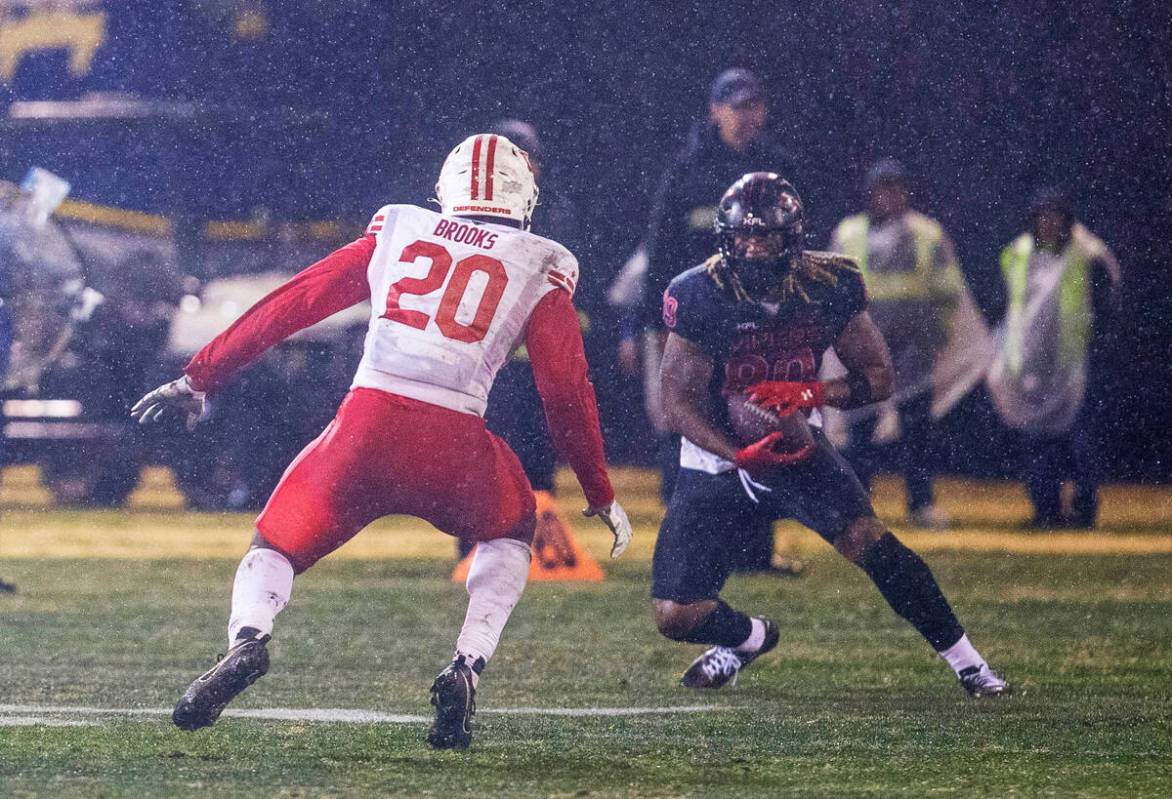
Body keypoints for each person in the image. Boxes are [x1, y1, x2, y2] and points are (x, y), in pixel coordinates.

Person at [132, 133, 634, 749]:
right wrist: (598, 487)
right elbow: (565, 389)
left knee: (275, 544)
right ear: (524, 195)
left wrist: (200, 373)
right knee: (511, 526)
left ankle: (249, 639)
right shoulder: (540, 261)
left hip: (364, 426)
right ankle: (465, 665)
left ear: (447, 188)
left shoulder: (399, 229)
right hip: (454, 438)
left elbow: (294, 303)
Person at [651, 172, 1008, 697]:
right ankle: (750, 639)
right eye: (741, 236)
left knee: (870, 541)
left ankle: (970, 664)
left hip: (794, 443)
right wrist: (739, 453)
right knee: (676, 616)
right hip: (717, 458)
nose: (750, 248)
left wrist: (810, 395)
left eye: (763, 236)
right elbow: (676, 403)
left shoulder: (828, 284)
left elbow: (878, 378)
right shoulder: (699, 293)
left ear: (791, 238)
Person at [640, 67, 804, 575]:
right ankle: (685, 547)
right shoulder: (685, 173)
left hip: (759, 324)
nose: (745, 115)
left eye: (753, 105)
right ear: (714, 111)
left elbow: (799, 249)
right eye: (735, 105)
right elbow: (661, 253)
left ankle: (755, 552)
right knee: (686, 426)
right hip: (697, 325)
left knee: (760, 426)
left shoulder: (779, 169)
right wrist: (657, 323)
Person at [829, 159, 965, 528]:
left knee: (917, 429)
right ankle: (857, 506)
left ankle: (920, 503)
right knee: (860, 429)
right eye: (881, 189)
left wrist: (936, 336)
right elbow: (832, 289)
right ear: (869, 193)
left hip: (912, 349)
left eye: (896, 188)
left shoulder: (927, 234)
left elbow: (947, 290)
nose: (889, 196)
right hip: (863, 347)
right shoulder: (849, 232)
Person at [987, 187, 1120, 528]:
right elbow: (1006, 307)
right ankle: (1045, 509)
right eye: (1042, 216)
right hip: (1030, 366)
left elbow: (1106, 308)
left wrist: (1100, 348)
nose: (1048, 223)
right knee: (1036, 442)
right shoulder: (1017, 253)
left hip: (1074, 366)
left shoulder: (1088, 255)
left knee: (1078, 441)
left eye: (1054, 216)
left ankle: (1082, 509)